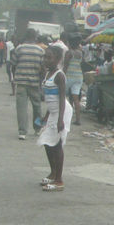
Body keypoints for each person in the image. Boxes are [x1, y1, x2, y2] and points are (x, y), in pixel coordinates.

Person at [37, 46, 73, 192]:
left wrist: (60, 120)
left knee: (57, 145)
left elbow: (62, 99)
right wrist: (46, 116)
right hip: (53, 113)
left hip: (62, 112)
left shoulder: (59, 75)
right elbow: (50, 99)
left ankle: (59, 180)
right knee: (47, 142)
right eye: (45, 57)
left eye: (49, 57)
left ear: (58, 60)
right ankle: (53, 173)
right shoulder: (47, 74)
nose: (46, 60)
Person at [13, 29, 45, 140]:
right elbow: (43, 69)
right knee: (37, 107)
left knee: (21, 108)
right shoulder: (40, 50)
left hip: (21, 83)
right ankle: (37, 128)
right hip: (34, 83)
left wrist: (15, 78)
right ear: (35, 37)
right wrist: (41, 83)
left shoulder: (19, 49)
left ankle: (22, 131)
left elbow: (14, 64)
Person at [64, 35, 84, 126]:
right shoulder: (80, 53)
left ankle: (65, 116)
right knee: (76, 99)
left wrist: (62, 74)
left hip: (69, 76)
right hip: (78, 76)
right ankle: (78, 119)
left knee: (63, 96)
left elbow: (66, 66)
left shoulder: (68, 53)